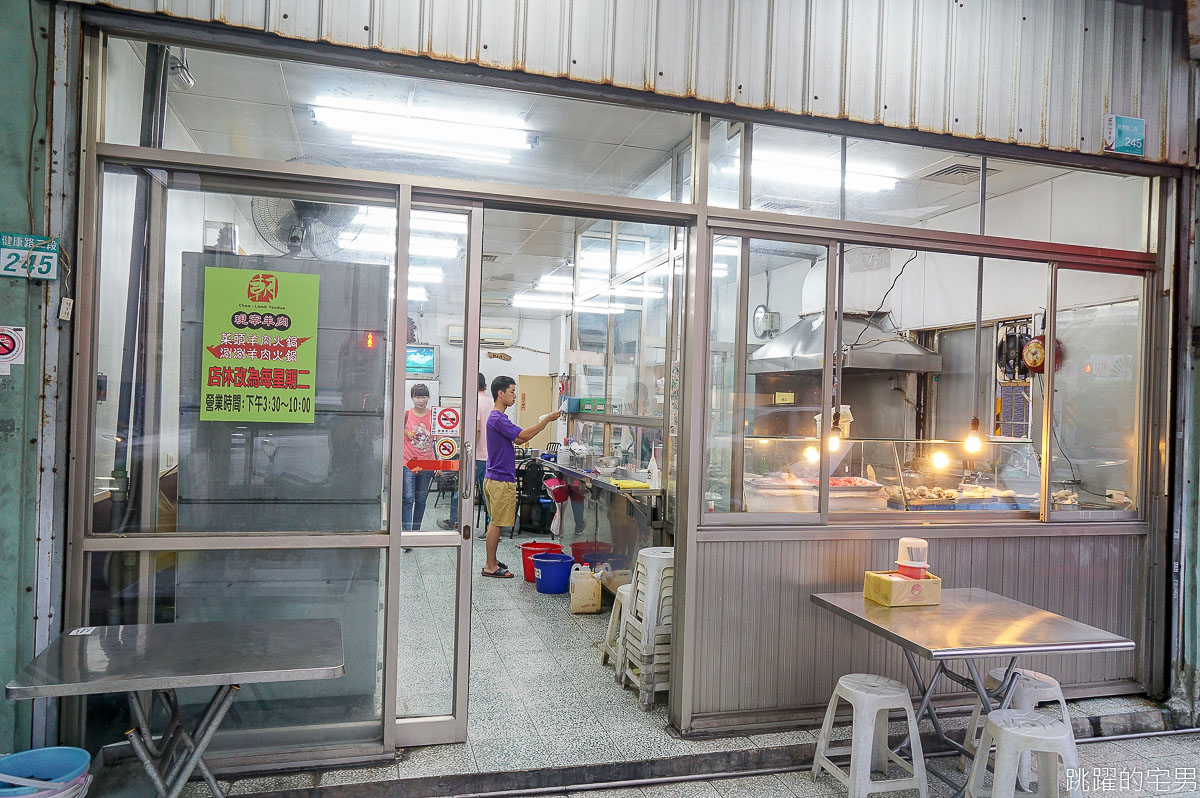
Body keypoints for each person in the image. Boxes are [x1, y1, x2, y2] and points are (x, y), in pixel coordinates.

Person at [481, 375, 561, 578]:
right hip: (499, 479)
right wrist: (545, 421)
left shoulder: (499, 419)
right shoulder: (497, 418)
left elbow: (517, 439)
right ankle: (490, 565)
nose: (515, 396)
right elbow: (524, 436)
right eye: (512, 391)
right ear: (501, 393)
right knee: (497, 523)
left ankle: (492, 560)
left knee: (495, 521)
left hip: (496, 476)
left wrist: (541, 423)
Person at [438, 373, 491, 532]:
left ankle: (454, 521)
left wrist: (470, 455)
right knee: (487, 494)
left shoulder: (472, 402)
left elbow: (476, 428)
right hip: (491, 455)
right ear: (485, 386)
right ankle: (491, 527)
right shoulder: (491, 402)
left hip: (475, 456)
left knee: (463, 490)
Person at [402, 383, 436, 530]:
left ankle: (415, 532)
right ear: (412, 398)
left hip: (427, 463)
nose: (420, 400)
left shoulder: (433, 416)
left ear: (428, 398)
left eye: (423, 396)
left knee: (421, 499)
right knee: (408, 498)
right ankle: (407, 533)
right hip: (408, 462)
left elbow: (438, 440)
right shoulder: (406, 415)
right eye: (417, 396)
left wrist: (438, 463)